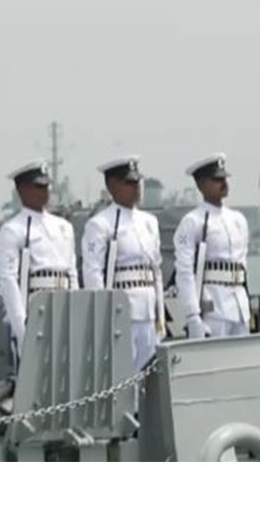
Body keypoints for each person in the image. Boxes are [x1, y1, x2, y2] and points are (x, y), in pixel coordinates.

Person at [81, 154, 164, 367]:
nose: (136, 187)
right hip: (121, 310)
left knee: (149, 377)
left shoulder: (150, 222)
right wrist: (104, 315)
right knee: (122, 375)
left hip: (148, 309)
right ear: (112, 185)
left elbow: (157, 272)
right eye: (129, 182)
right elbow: (93, 273)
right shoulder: (101, 224)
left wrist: (160, 315)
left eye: (138, 182)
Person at [0, 160, 78, 364]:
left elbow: (72, 274)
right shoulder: (13, 230)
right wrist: (21, 327)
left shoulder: (64, 227)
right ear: (22, 189)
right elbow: (8, 281)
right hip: (35, 310)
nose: (45, 191)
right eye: (38, 186)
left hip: (64, 307)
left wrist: (78, 313)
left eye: (46, 186)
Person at [172, 154, 251, 338]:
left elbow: (243, 265)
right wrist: (193, 317)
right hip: (213, 308)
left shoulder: (238, 220)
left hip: (240, 308)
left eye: (224, 178)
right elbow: (184, 272)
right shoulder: (193, 222)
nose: (223, 183)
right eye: (217, 179)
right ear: (201, 185)